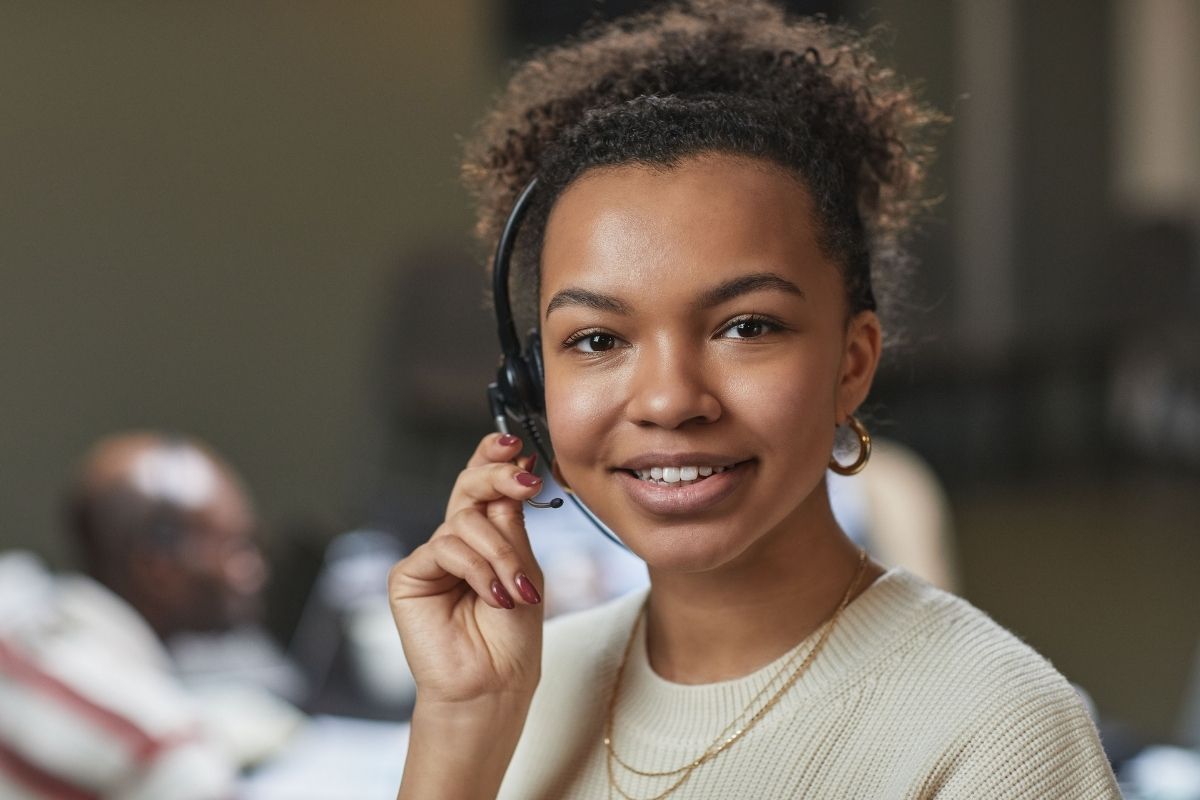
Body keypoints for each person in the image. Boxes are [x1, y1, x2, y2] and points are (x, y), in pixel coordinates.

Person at [386, 2, 1121, 798]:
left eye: (746, 326)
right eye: (597, 340)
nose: (670, 400)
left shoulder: (998, 730)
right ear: (530, 385)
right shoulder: (520, 690)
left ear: (852, 362)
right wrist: (462, 725)